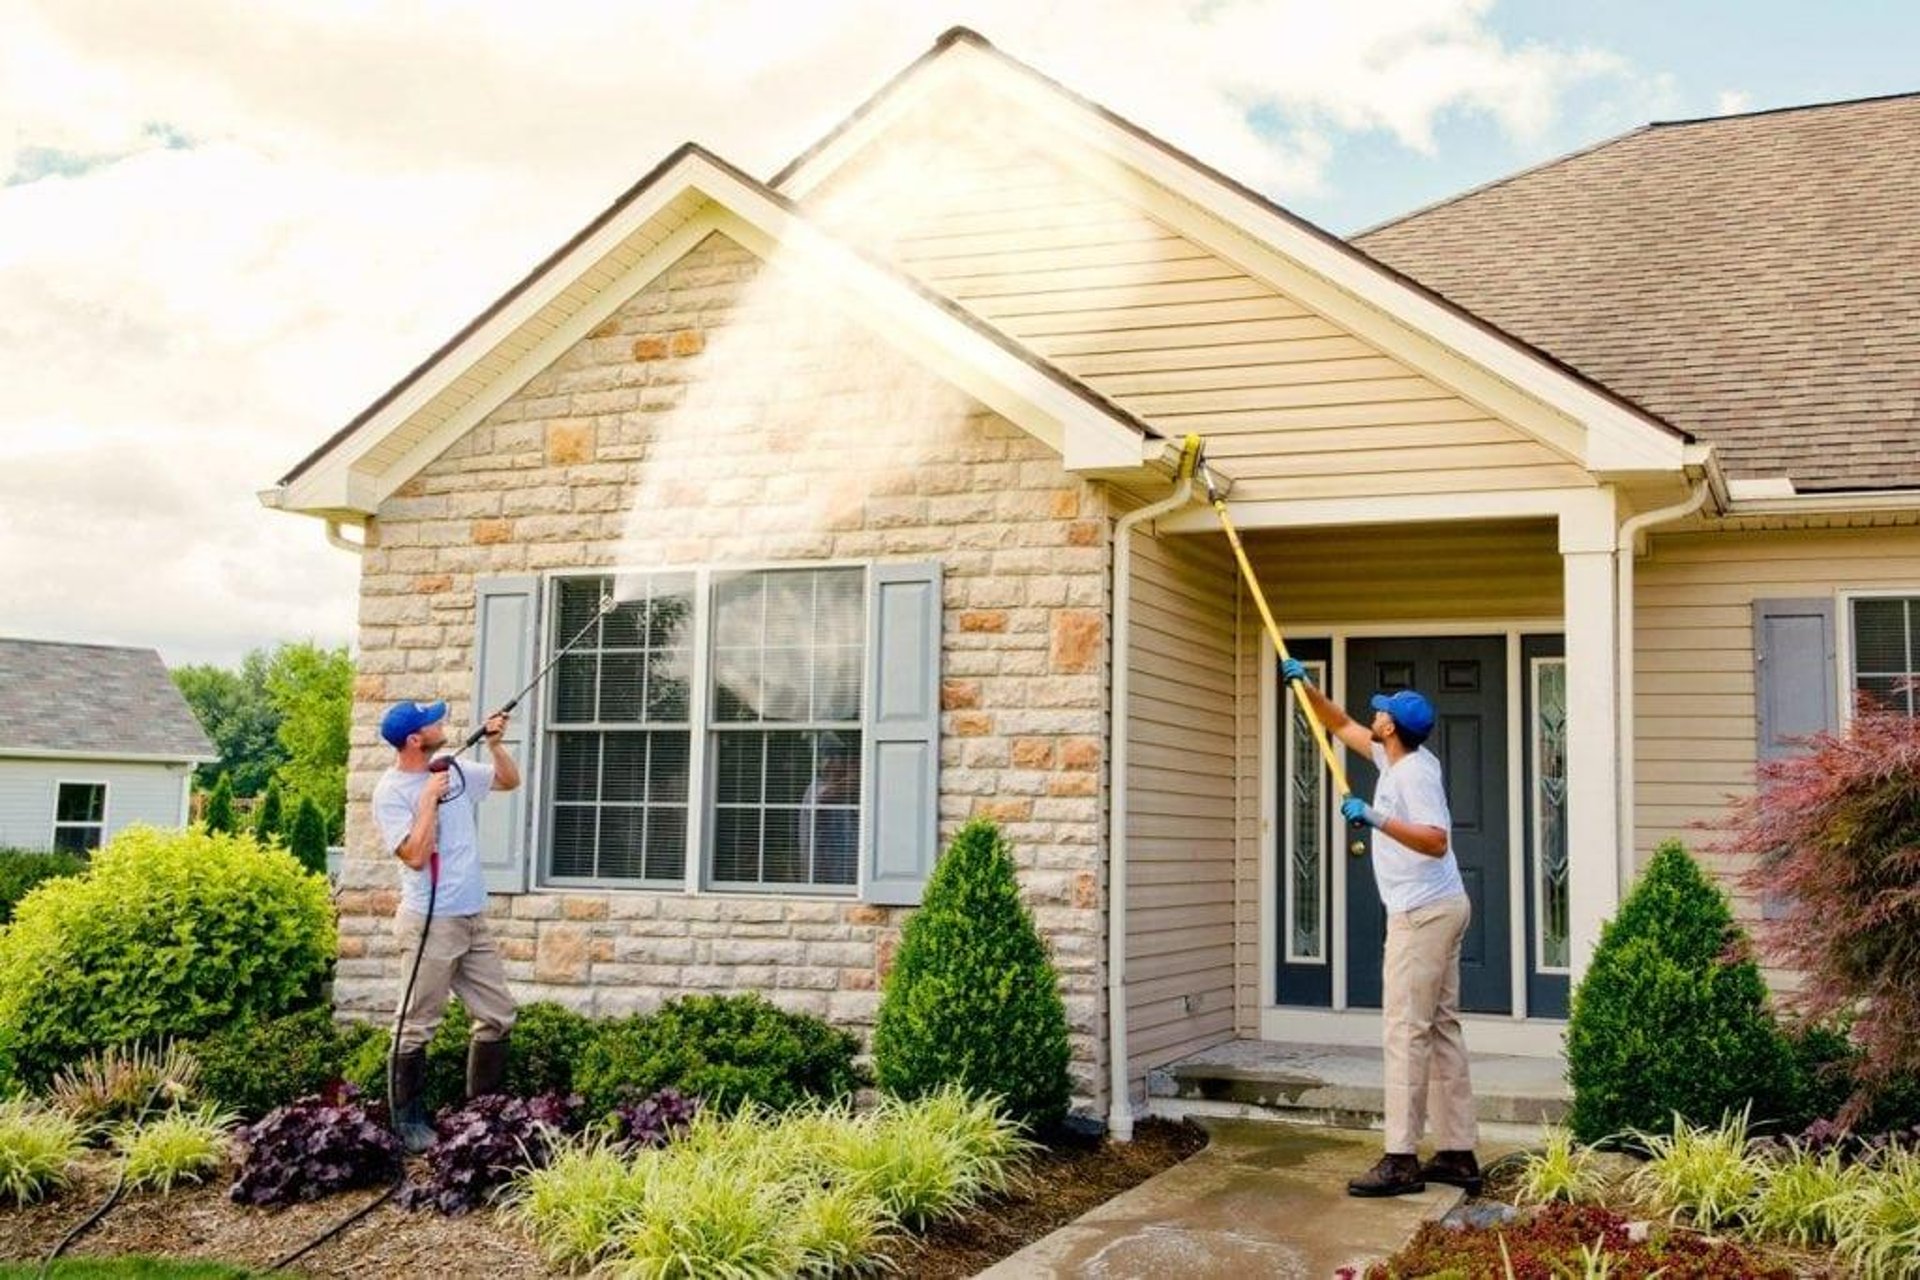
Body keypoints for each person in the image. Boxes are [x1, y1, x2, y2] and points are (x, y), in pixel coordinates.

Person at [1282, 658, 1481, 1198]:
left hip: (1422, 914)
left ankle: (1400, 1159)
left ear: (1391, 728)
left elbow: (1436, 839)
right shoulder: (1396, 758)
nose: (1376, 713)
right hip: (1441, 905)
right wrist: (1305, 685)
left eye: (1383, 712)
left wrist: (1372, 818)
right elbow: (1339, 722)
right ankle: (1458, 1154)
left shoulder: (1413, 773)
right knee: (1440, 1027)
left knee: (1405, 1029)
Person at [371, 699, 521, 1152]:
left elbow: (509, 782)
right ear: (415, 739)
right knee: (416, 1023)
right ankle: (410, 1122)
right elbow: (415, 856)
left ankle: (482, 1116)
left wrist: (496, 747)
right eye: (431, 722)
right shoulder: (392, 791)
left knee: (498, 1015)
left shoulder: (453, 768)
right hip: (429, 923)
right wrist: (428, 803)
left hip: (472, 916)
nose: (442, 725)